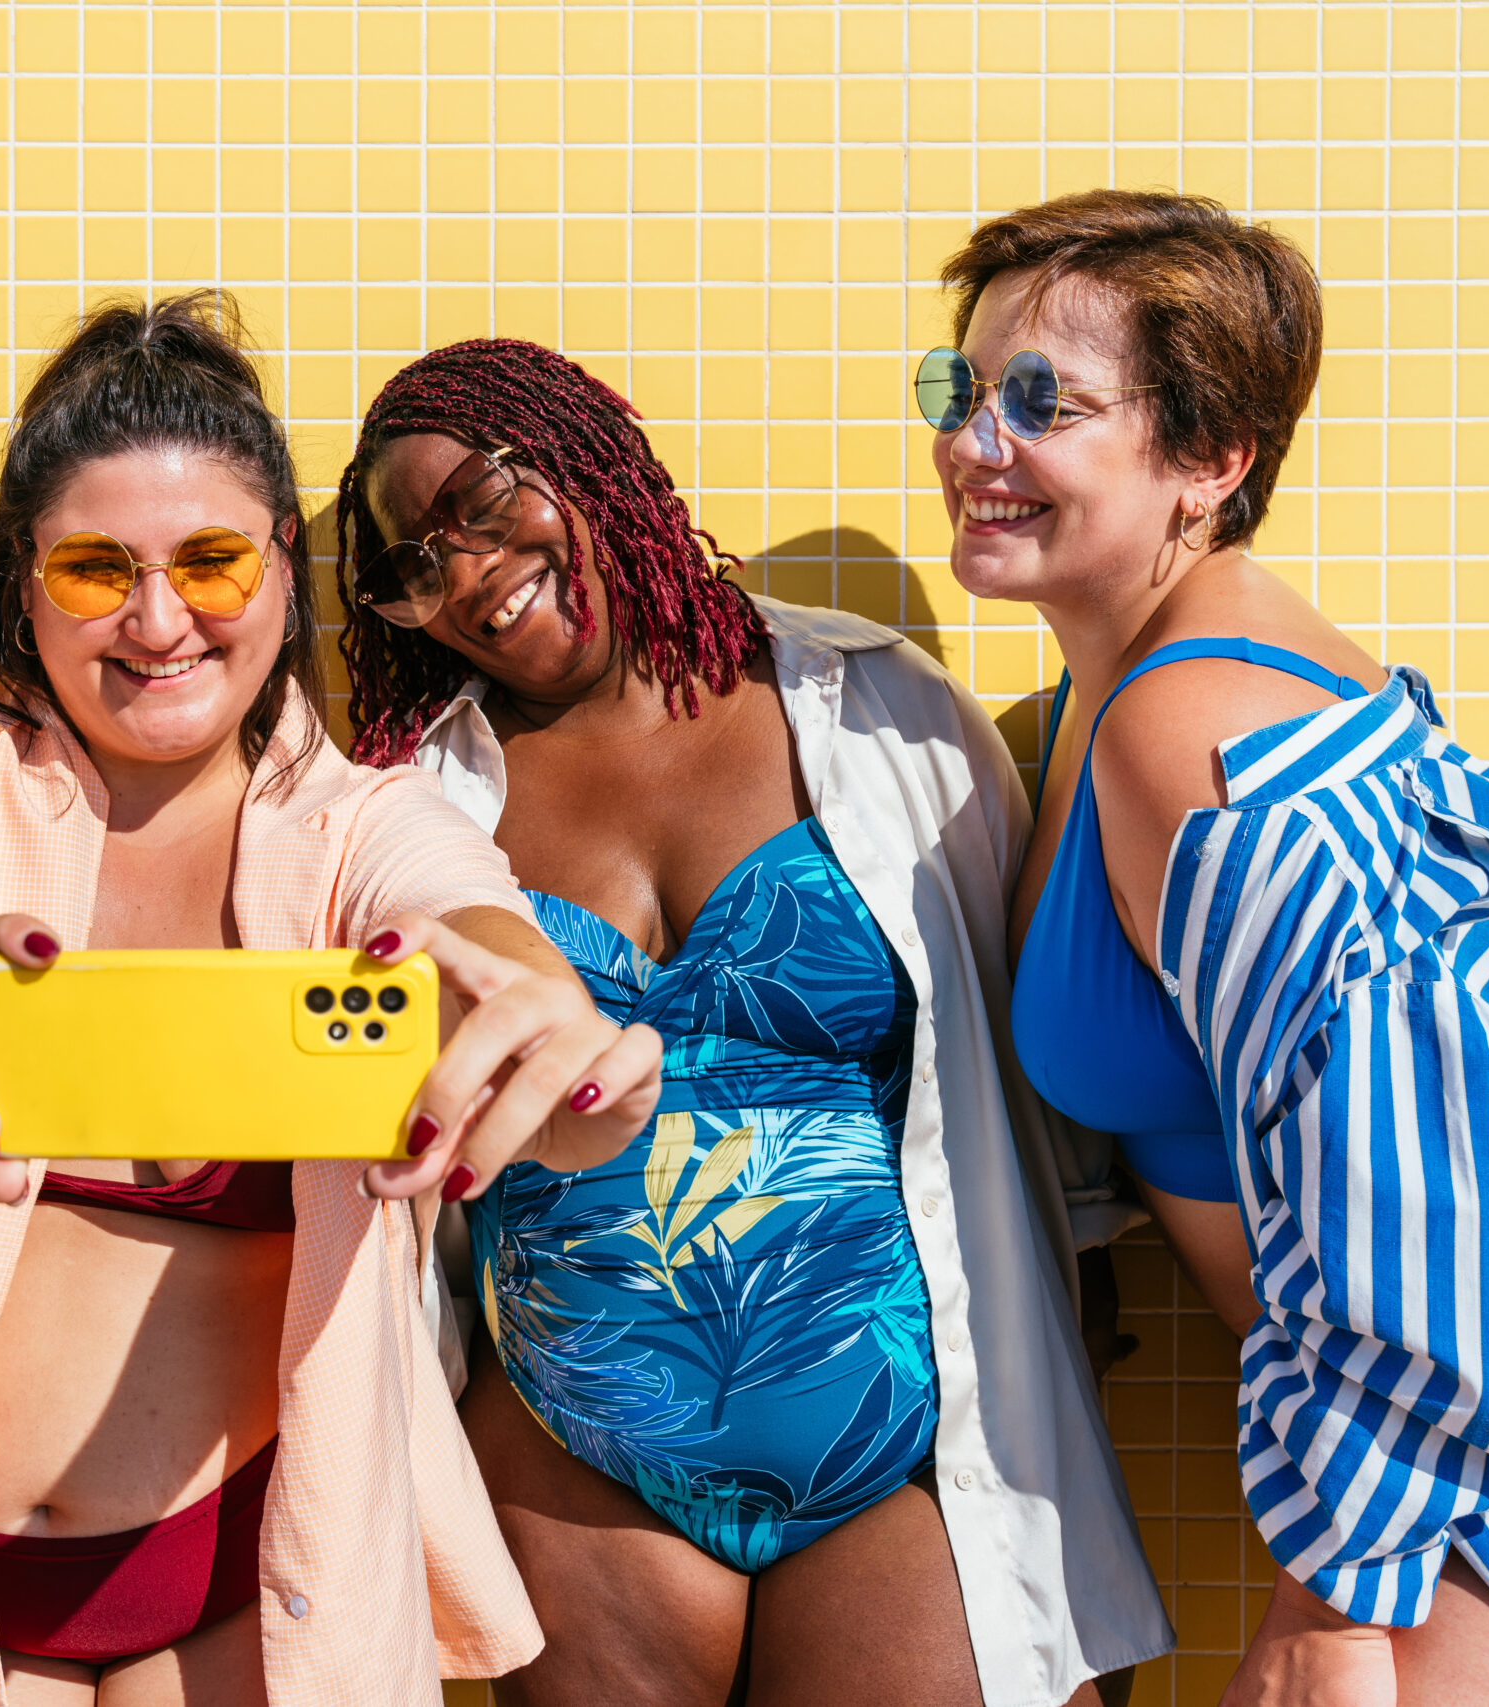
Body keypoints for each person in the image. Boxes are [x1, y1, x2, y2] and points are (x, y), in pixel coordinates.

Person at [0, 292, 661, 1707]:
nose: (159, 621)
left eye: (212, 561)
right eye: (96, 569)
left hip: (253, 1575)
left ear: (282, 566)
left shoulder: (365, 826)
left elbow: (471, 935)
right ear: (24, 582)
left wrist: (555, 1053)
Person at [334, 338, 1171, 1706]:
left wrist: (1071, 1327)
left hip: (909, 1452)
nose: (473, 573)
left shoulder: (877, 708)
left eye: (485, 502)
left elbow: (1019, 1057)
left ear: (589, 457)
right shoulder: (415, 803)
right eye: (419, 564)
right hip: (570, 1461)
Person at [933, 188, 1489, 1703]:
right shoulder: (1108, 699)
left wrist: (1333, 1598)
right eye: (960, 389)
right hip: (1440, 1460)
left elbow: (1421, 1147)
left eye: (1044, 401)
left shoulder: (1192, 722)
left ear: (1213, 458)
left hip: (1473, 1478)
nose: (972, 443)